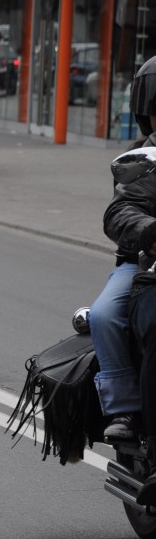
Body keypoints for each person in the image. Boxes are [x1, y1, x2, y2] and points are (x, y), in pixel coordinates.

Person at [94, 57, 156, 442]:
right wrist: (150, 231)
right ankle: (126, 409)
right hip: (143, 263)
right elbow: (119, 211)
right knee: (102, 315)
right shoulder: (140, 161)